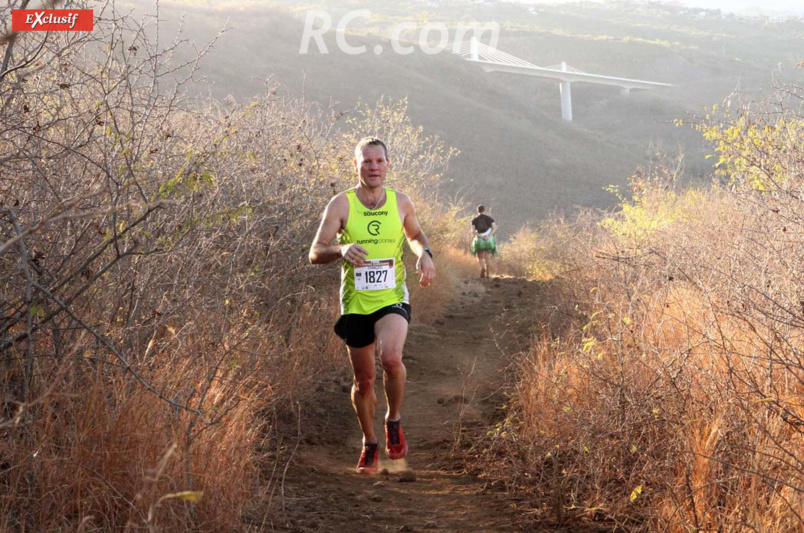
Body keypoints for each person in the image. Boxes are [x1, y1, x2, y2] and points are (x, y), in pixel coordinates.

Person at [309, 137, 436, 474]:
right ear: (356, 165)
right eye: (367, 161)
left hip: (392, 297)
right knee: (364, 381)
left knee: (391, 358)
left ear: (388, 164)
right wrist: (340, 249)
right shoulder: (341, 204)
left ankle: (393, 419)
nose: (374, 167)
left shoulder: (401, 202)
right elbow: (315, 251)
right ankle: (370, 442)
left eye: (379, 161)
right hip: (356, 302)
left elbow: (416, 235)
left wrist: (424, 255)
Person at [470, 205, 497, 278]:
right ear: (484, 210)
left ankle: (483, 268)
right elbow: (494, 228)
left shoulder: (474, 220)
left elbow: (472, 231)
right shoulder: (489, 219)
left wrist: (481, 236)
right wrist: (488, 236)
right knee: (488, 258)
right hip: (489, 240)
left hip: (479, 241)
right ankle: (488, 274)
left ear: (477, 211)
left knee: (480, 257)